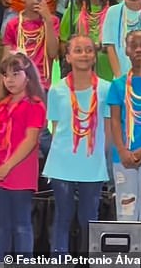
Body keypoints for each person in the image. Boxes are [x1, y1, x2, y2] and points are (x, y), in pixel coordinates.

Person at [43, 35, 111, 253]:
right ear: (68, 56)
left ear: (94, 57)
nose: (84, 54)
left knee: (89, 218)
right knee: (63, 215)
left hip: (92, 164)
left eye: (89, 50)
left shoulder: (106, 89)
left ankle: (90, 259)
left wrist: (99, 154)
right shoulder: (56, 89)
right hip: (62, 163)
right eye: (78, 50)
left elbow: (109, 129)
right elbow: (55, 127)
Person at [107, 30, 141, 221]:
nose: (138, 50)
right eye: (133, 45)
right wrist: (122, 151)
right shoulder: (118, 85)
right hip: (124, 157)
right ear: (126, 51)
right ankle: (129, 252)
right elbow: (114, 120)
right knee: (126, 211)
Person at [0, 53, 46, 259]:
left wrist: (7, 166)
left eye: (15, 74)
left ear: (27, 76)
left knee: (20, 224)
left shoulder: (34, 104)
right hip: (1, 171)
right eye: (5, 75)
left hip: (19, 172)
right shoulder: (2, 105)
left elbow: (30, 140)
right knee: (2, 226)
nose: (9, 79)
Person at [60, 0, 120, 80]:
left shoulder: (117, 8)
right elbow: (63, 43)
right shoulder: (75, 6)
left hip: (110, 72)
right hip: (80, 73)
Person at [3, 0, 60, 91]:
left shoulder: (52, 21)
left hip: (43, 86)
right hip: (19, 86)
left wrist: (48, 21)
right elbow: (6, 60)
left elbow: (53, 53)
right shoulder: (13, 24)